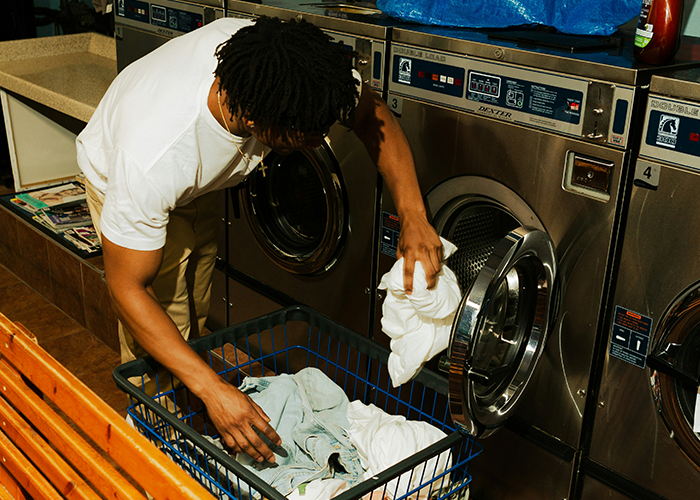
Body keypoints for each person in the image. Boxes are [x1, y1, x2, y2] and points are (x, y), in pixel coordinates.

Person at [76, 16, 443, 465]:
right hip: (125, 173)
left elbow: (372, 114)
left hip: (200, 182)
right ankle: (161, 453)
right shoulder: (153, 157)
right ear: (252, 119)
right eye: (306, 137)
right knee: (163, 327)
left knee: (193, 304)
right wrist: (214, 390)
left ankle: (200, 420)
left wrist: (413, 215)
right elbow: (128, 289)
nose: (321, 139)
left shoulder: (300, 70)